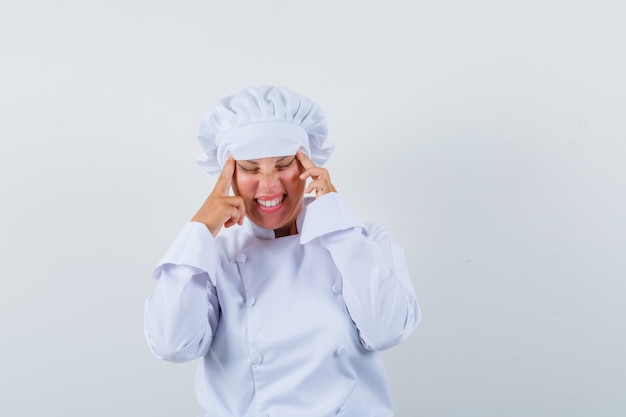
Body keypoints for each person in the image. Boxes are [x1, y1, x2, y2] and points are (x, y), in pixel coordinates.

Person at [144, 85, 420, 417]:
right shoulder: (211, 258)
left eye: (284, 163)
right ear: (226, 174)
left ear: (308, 164)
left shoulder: (362, 240)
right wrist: (200, 229)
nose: (270, 183)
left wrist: (337, 222)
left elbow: (386, 330)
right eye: (250, 168)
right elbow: (172, 344)